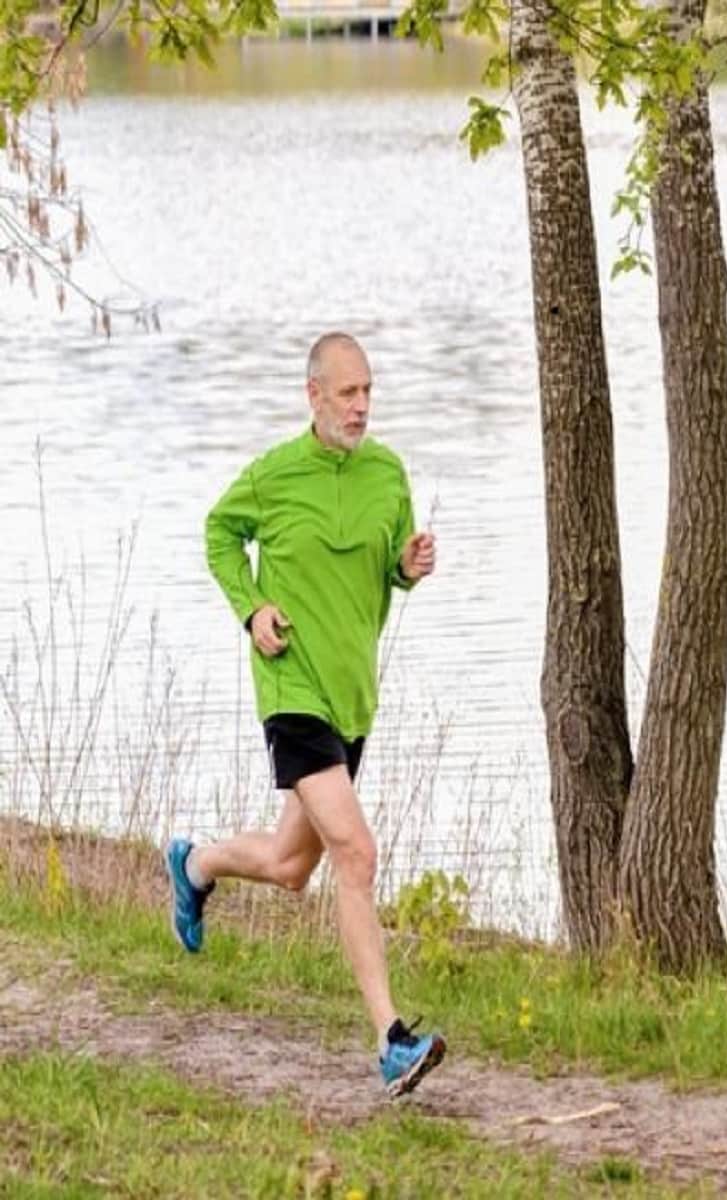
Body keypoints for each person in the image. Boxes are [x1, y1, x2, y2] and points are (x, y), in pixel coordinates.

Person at [167, 331, 446, 1098]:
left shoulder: (388, 473)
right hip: (292, 689)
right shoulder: (274, 476)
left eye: (368, 393)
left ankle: (193, 864)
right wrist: (252, 608)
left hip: (352, 696)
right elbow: (219, 535)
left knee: (294, 869)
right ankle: (392, 1040)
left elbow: (387, 561)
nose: (360, 407)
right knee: (356, 853)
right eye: (347, 393)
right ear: (313, 396)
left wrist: (408, 567)